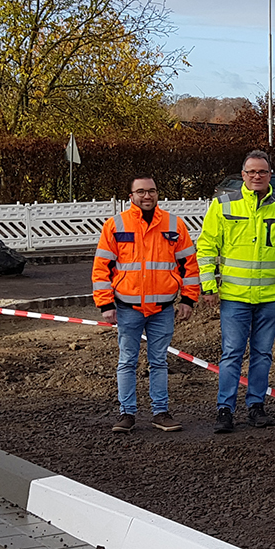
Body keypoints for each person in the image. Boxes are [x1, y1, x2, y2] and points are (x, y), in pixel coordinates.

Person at [197, 150, 275, 434]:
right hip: (234, 297)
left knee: (262, 354)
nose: (257, 176)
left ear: (270, 175)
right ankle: (225, 409)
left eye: (262, 172)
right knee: (232, 353)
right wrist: (208, 286)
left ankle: (256, 406)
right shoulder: (222, 206)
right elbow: (207, 248)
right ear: (243, 175)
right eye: (251, 172)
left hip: (270, 297)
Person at [92, 175, 199, 433]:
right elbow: (101, 269)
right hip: (127, 308)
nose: (147, 196)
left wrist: (188, 299)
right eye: (141, 192)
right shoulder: (115, 226)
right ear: (131, 196)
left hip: (162, 309)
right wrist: (105, 304)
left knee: (159, 361)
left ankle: (160, 413)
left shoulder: (174, 225)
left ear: (157, 193)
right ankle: (126, 414)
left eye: (151, 191)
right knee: (127, 361)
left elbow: (189, 265)